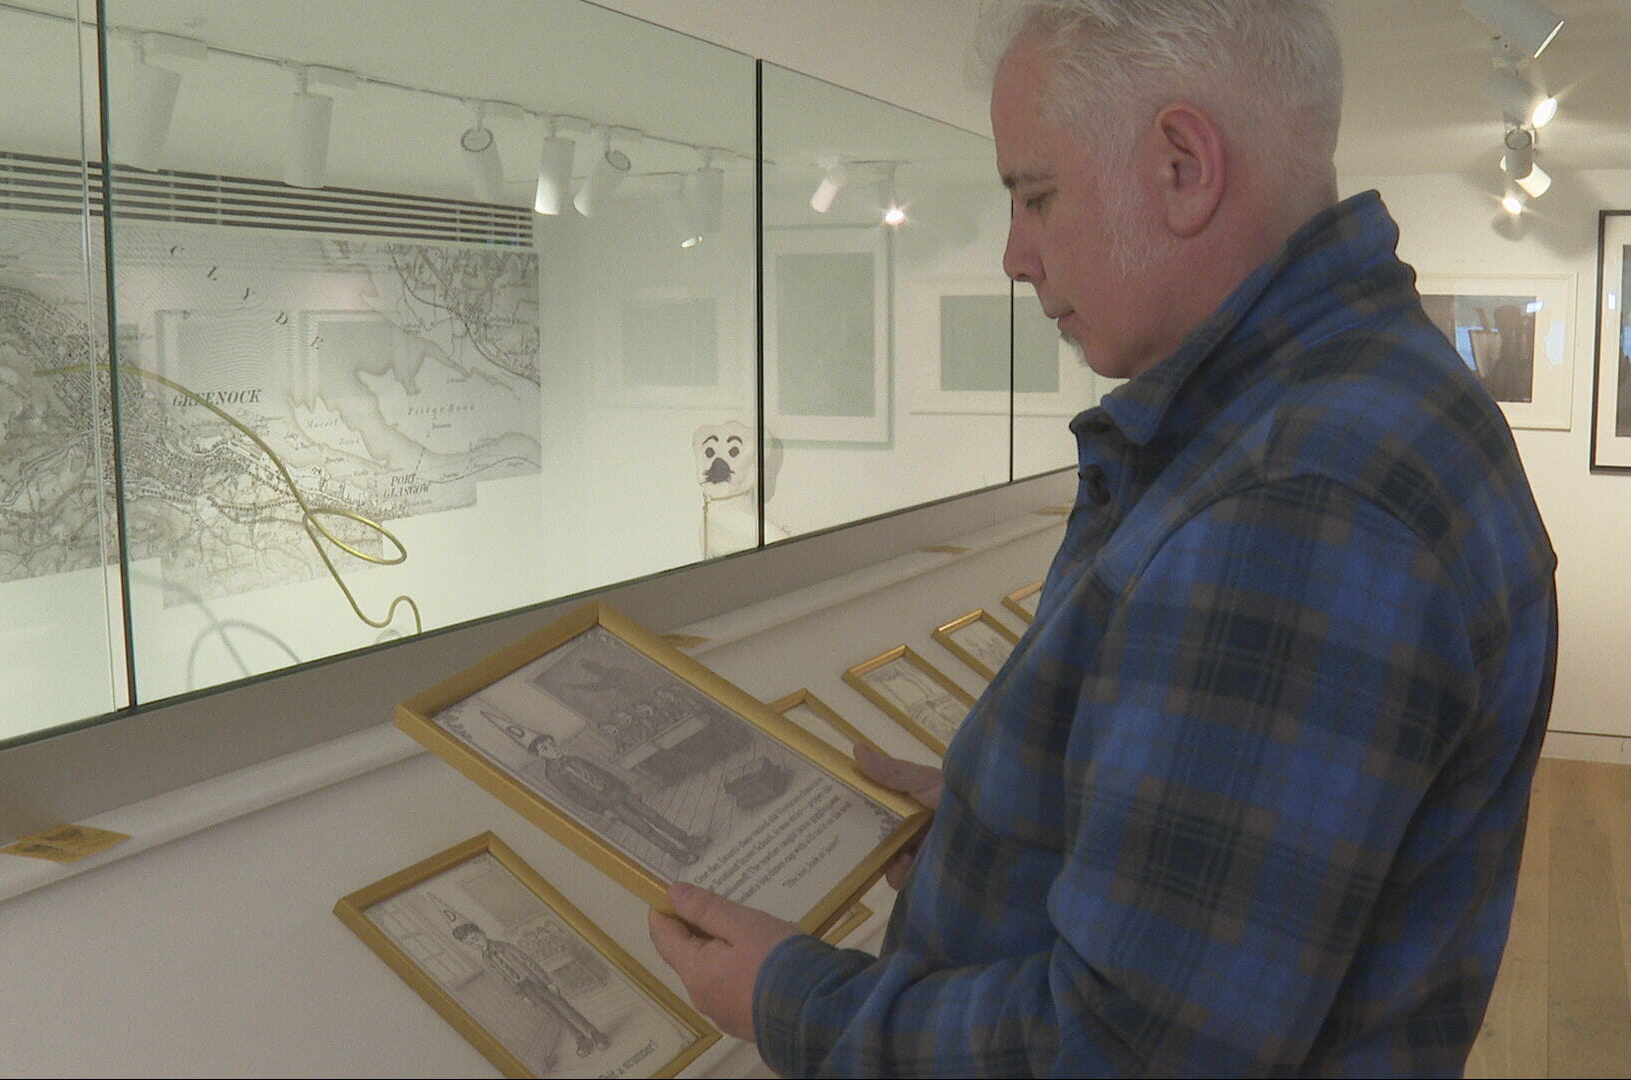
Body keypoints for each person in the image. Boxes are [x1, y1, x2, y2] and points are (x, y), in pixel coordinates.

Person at [649, 1, 1558, 1075]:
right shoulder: (1340, 404)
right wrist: (1005, 820)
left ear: (1183, 166)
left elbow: (1125, 1052)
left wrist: (788, 996)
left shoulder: (1296, 499)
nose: (1014, 254)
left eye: (1036, 195)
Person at [531, 735, 711, 867]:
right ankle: (678, 853)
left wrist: (626, 787)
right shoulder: (553, 775)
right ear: (540, 755)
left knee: (653, 815)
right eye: (545, 748)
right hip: (608, 804)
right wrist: (601, 811)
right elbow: (575, 796)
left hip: (620, 791)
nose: (552, 748)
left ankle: (687, 840)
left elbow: (603, 773)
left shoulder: (574, 759)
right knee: (643, 828)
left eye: (551, 743)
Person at [450, 920, 610, 1060]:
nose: (476, 944)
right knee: (555, 1015)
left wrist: (548, 981)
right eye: (471, 944)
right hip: (526, 990)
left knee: (565, 1009)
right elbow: (503, 979)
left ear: (482, 933)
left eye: (476, 938)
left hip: (538, 983)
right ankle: (580, 1039)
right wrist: (521, 995)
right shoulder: (486, 959)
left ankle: (594, 1033)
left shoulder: (504, 946)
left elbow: (529, 963)